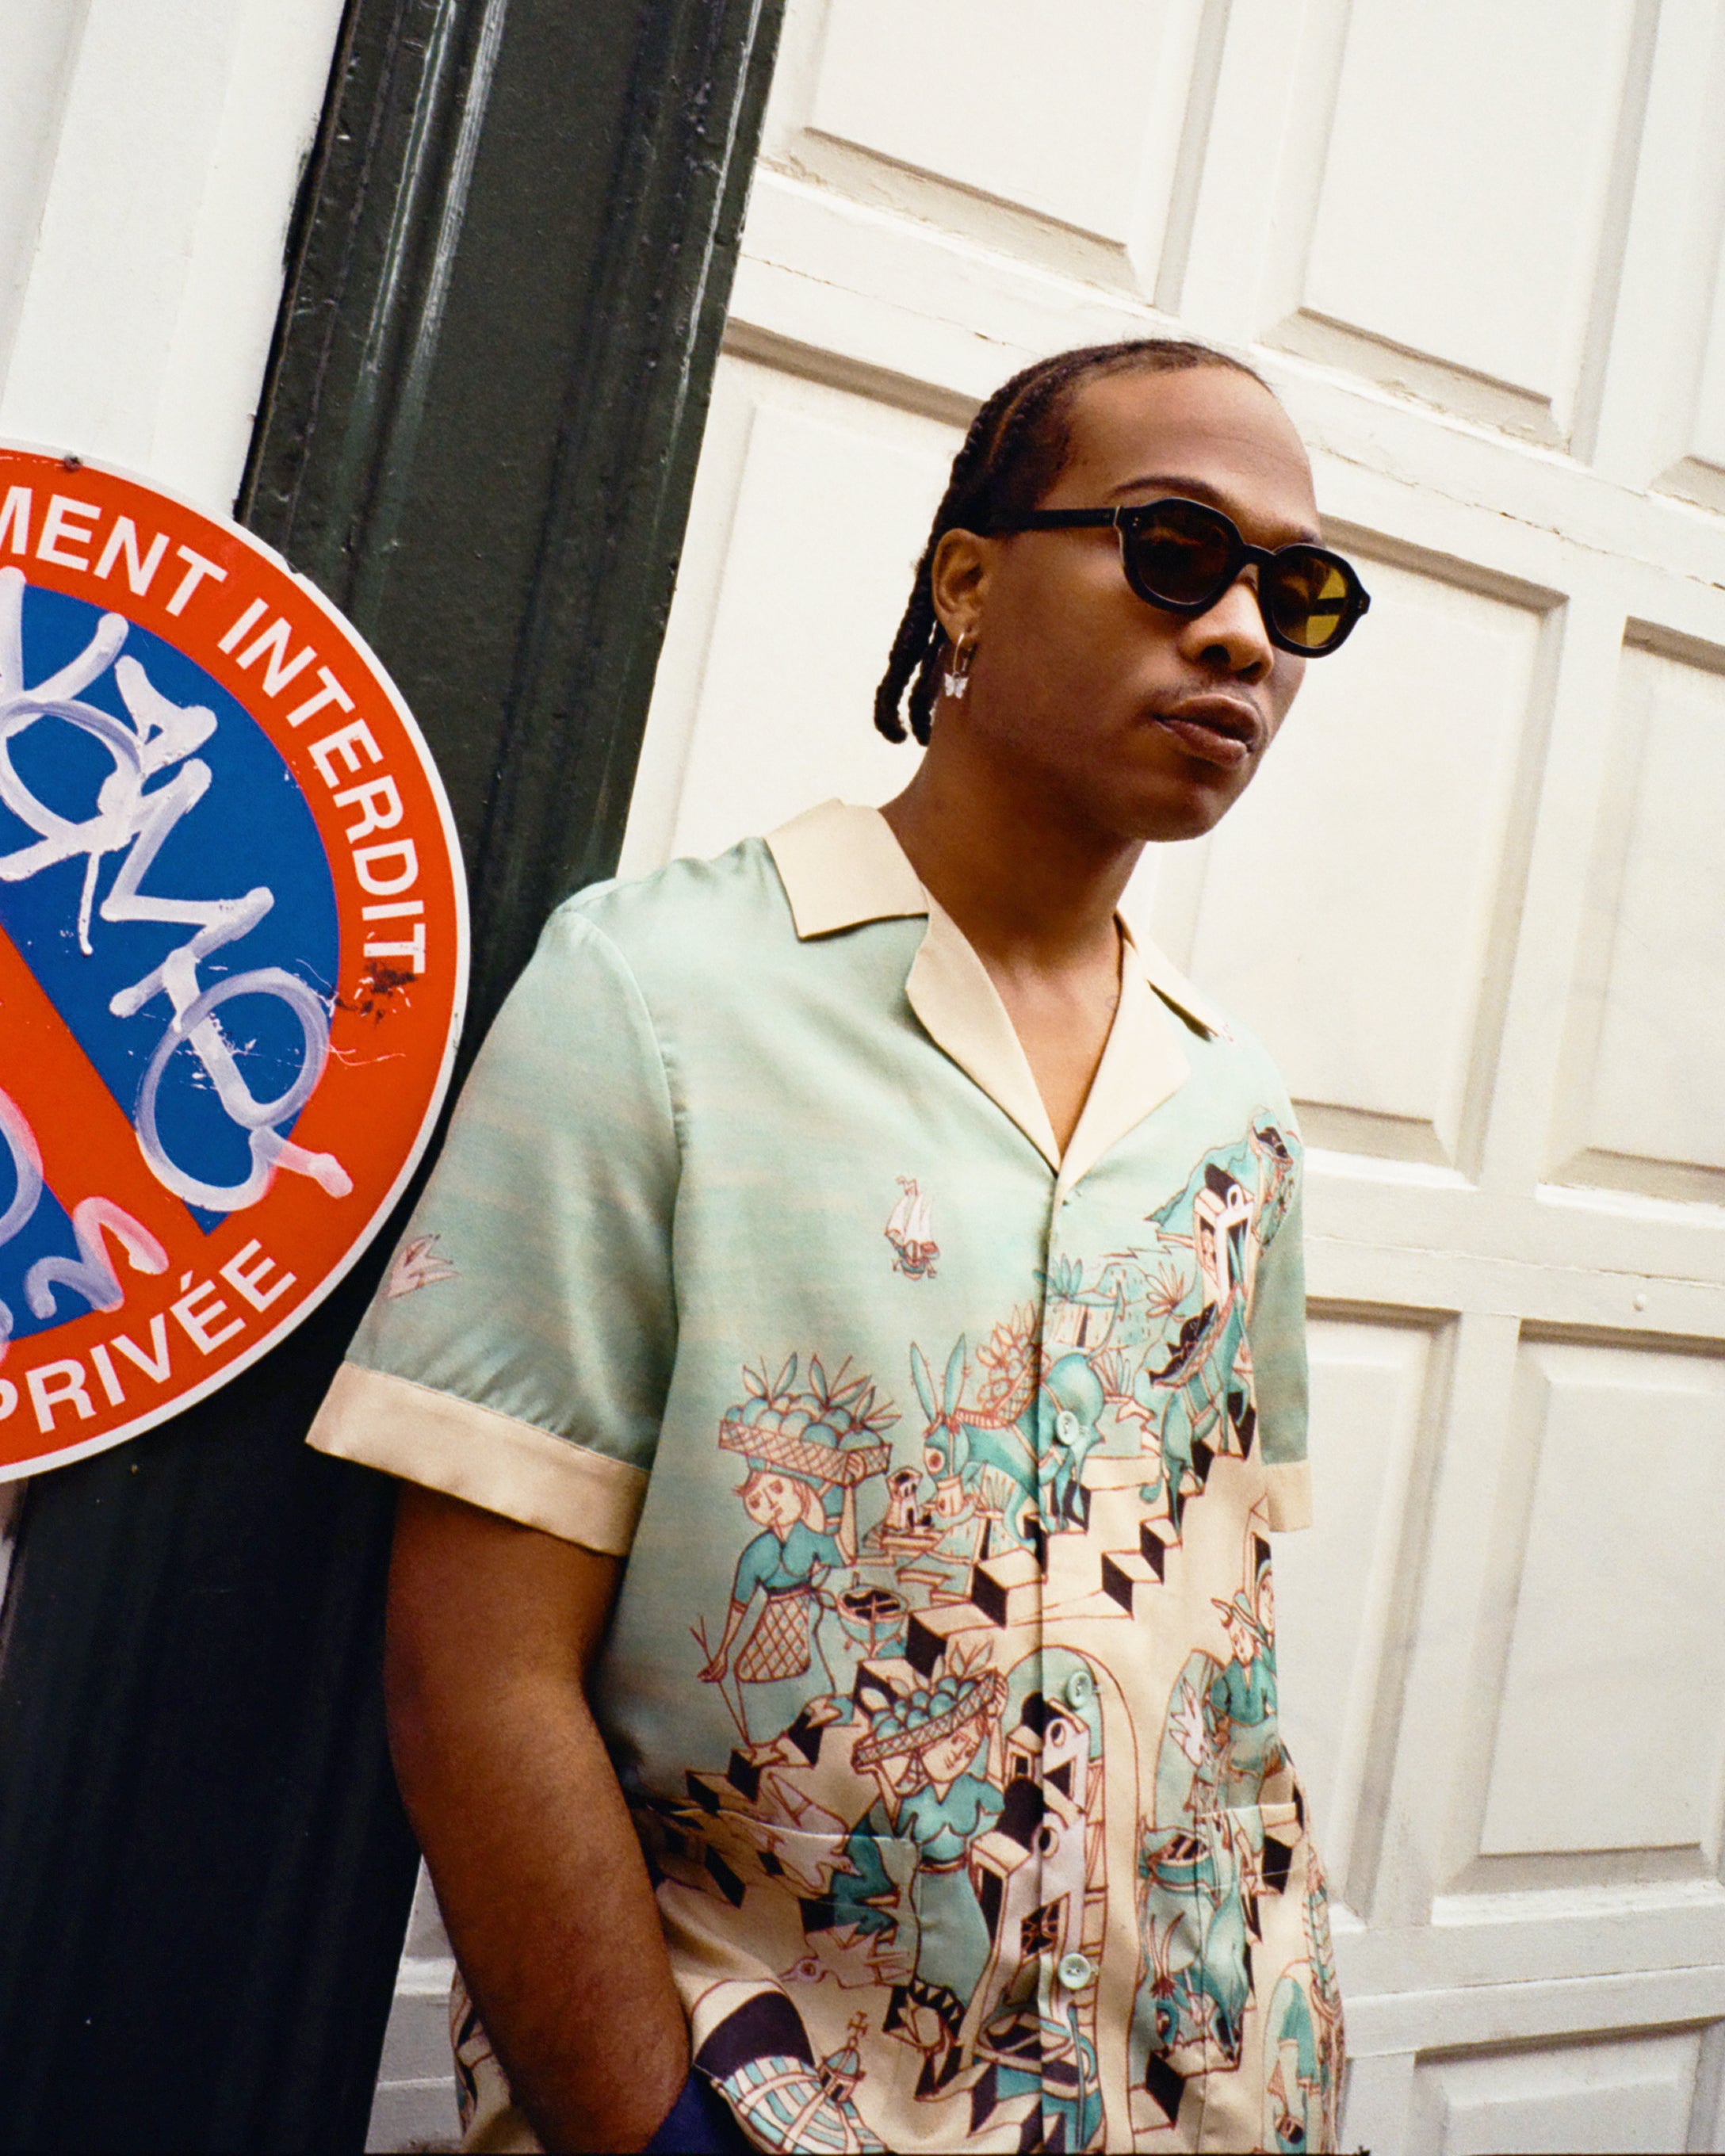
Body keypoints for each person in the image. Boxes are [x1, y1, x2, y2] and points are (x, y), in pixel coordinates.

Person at [308, 336, 1370, 2153]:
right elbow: (471, 1672)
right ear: (966, 581)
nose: (1237, 636)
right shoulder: (659, 999)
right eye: (1173, 551)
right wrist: (652, 2128)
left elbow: (1216, 1661)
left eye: (1296, 594)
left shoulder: (1230, 1105)